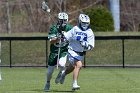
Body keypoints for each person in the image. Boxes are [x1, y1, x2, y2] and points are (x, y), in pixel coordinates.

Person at [59, 14, 95, 90]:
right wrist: (63, 35)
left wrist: (86, 45)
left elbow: (91, 46)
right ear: (79, 21)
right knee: (79, 65)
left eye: (86, 23)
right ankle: (74, 84)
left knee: (72, 67)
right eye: (83, 23)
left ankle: (63, 74)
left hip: (80, 54)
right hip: (72, 51)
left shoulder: (90, 32)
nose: (85, 24)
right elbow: (67, 37)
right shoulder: (75, 29)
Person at [43, 12, 73, 91]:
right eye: (62, 20)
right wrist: (57, 38)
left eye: (65, 20)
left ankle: (61, 73)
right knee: (50, 72)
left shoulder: (70, 28)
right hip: (54, 51)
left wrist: (66, 35)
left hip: (63, 50)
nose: (63, 22)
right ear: (59, 20)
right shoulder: (54, 28)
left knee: (62, 64)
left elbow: (73, 38)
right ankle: (48, 83)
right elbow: (51, 41)